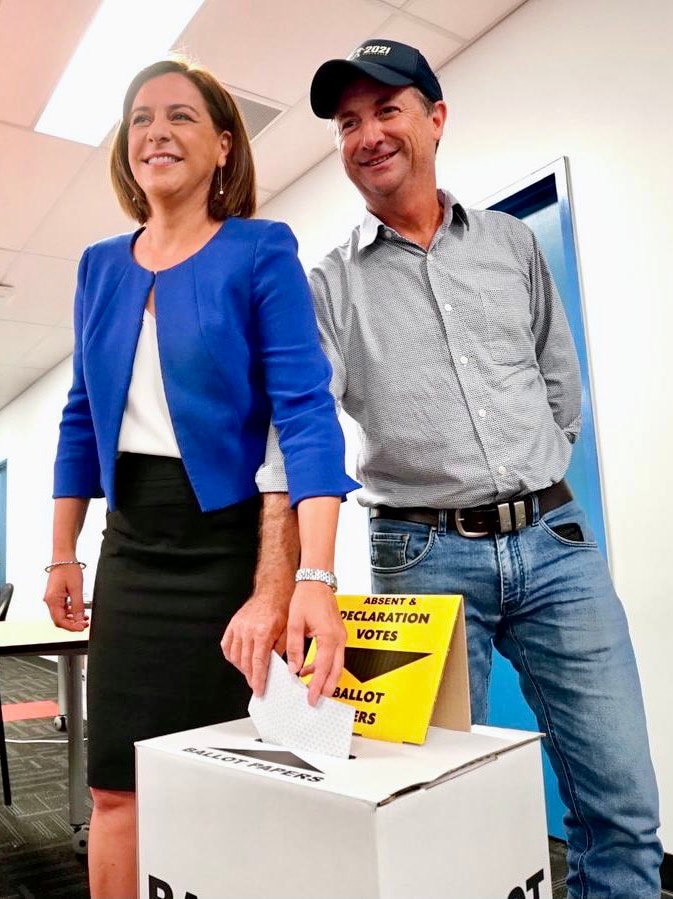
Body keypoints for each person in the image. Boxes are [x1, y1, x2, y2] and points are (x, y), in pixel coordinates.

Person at [259, 39, 663, 899]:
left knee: (623, 803)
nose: (367, 134)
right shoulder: (326, 285)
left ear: (435, 118)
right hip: (421, 558)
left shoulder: (512, 244)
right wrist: (303, 573)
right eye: (347, 122)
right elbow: (298, 433)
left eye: (387, 109)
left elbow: (560, 382)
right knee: (428, 803)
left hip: (556, 548)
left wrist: (538, 470)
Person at [43, 58, 356, 899]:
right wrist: (62, 550)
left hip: (240, 547)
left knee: (273, 771)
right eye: (141, 117)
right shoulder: (99, 267)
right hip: (136, 551)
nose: (156, 132)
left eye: (181, 117)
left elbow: (304, 413)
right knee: (117, 782)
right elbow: (81, 415)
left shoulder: (260, 250)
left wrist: (307, 578)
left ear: (223, 146)